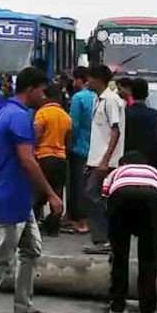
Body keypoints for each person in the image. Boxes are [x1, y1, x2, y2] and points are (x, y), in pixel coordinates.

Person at [0, 67, 62, 313]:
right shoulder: (19, 117)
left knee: (31, 249)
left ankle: (23, 308)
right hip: (10, 197)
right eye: (42, 91)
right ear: (31, 89)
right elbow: (27, 160)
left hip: (18, 197)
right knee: (0, 257)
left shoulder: (8, 113)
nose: (44, 97)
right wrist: (51, 194)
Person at [102, 151, 157, 313]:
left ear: (123, 163)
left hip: (121, 197)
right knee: (148, 262)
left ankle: (117, 306)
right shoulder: (155, 173)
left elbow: (106, 199)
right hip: (152, 200)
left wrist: (113, 237)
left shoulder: (116, 173)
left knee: (120, 257)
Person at [83, 65, 125, 255]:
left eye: (89, 78)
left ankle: (104, 240)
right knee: (97, 197)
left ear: (98, 79)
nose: (87, 82)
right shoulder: (99, 99)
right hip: (97, 159)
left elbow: (115, 131)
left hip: (106, 162)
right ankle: (104, 238)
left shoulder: (110, 100)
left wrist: (104, 161)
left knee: (93, 196)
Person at [34, 84, 71, 237]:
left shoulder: (42, 113)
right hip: (61, 159)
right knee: (57, 193)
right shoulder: (66, 117)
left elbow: (36, 135)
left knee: (37, 193)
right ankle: (53, 226)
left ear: (47, 97)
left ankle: (34, 224)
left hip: (44, 158)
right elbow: (68, 140)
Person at [67, 66, 94, 235]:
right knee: (91, 186)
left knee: (77, 185)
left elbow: (73, 125)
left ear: (79, 80)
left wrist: (68, 145)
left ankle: (80, 222)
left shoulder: (78, 98)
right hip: (96, 149)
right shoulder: (98, 97)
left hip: (79, 148)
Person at [123, 79, 157, 170]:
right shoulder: (153, 114)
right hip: (150, 161)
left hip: (128, 159)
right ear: (147, 94)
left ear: (131, 93)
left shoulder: (125, 113)